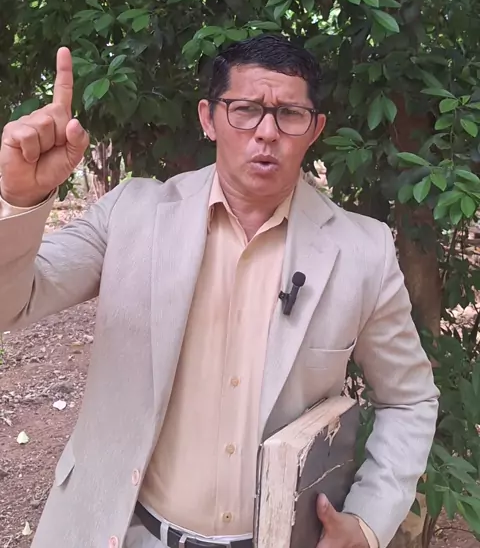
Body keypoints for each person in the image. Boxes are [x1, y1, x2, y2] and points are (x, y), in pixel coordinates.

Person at [0, 35, 439, 548]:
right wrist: (19, 200)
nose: (267, 132)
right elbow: (14, 302)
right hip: (126, 532)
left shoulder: (362, 252)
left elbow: (409, 399)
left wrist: (366, 522)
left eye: (290, 114)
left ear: (315, 129)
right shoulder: (131, 216)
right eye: (245, 110)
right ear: (208, 119)